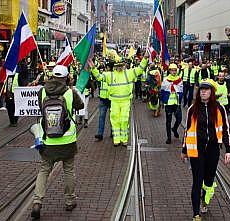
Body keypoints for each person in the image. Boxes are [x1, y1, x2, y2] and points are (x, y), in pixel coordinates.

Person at [31, 65, 84, 219]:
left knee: (44, 170)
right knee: (68, 170)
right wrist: (72, 88)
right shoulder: (69, 92)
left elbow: (42, 108)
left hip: (48, 140)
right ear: (67, 77)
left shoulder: (42, 91)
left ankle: (37, 202)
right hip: (67, 140)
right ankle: (69, 201)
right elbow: (80, 106)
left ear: (52, 76)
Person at [181, 79, 230, 221]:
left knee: (209, 180)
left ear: (212, 92)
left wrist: (228, 150)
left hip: (213, 149)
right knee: (197, 180)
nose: (203, 91)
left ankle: (205, 199)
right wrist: (184, 150)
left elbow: (225, 129)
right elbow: (187, 130)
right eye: (201, 89)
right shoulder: (193, 108)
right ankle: (196, 214)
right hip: (196, 150)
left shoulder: (219, 108)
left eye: (206, 89)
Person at [89, 53, 149, 146]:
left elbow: (140, 69)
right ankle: (116, 140)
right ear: (115, 67)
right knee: (115, 120)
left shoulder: (129, 73)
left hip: (125, 101)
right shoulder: (110, 75)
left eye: (121, 66)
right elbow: (99, 77)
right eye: (118, 66)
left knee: (124, 120)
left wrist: (145, 59)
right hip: (114, 102)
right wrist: (93, 68)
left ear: (124, 66)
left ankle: (124, 139)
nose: (120, 68)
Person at [160, 63, 183, 144]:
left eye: (175, 70)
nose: (174, 72)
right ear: (169, 71)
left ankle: (175, 129)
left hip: (176, 103)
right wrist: (162, 102)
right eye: (172, 70)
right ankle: (169, 138)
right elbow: (162, 91)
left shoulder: (179, 79)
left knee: (179, 119)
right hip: (168, 104)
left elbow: (181, 90)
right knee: (168, 121)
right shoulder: (166, 79)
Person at [94, 63, 111, 141]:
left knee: (103, 117)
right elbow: (98, 80)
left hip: (109, 99)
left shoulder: (112, 76)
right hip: (105, 99)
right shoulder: (104, 75)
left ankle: (111, 132)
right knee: (103, 117)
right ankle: (100, 134)